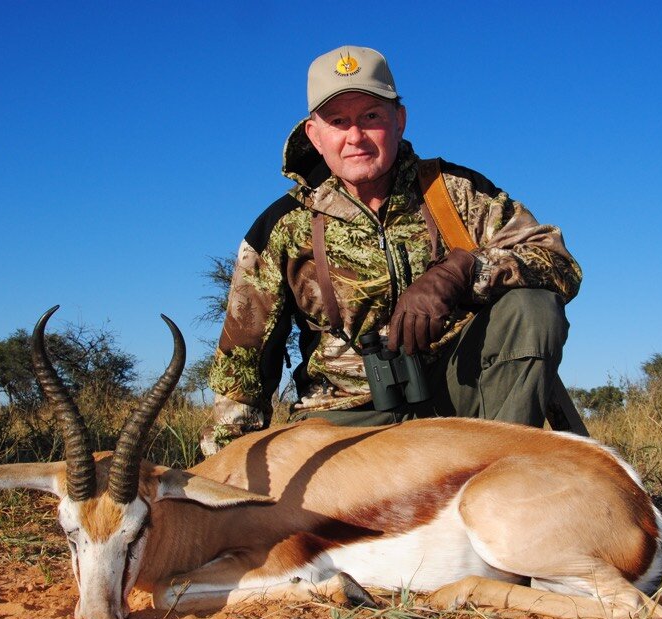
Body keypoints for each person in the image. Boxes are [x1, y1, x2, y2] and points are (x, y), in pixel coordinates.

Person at [206, 46, 582, 451]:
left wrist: (462, 271)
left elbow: (557, 261)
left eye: (371, 116)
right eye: (338, 121)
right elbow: (240, 365)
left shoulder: (457, 191)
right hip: (343, 418)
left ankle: (502, 473)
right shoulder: (280, 226)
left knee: (531, 306)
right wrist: (222, 474)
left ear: (399, 120)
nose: (355, 137)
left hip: (459, 399)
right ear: (315, 135)